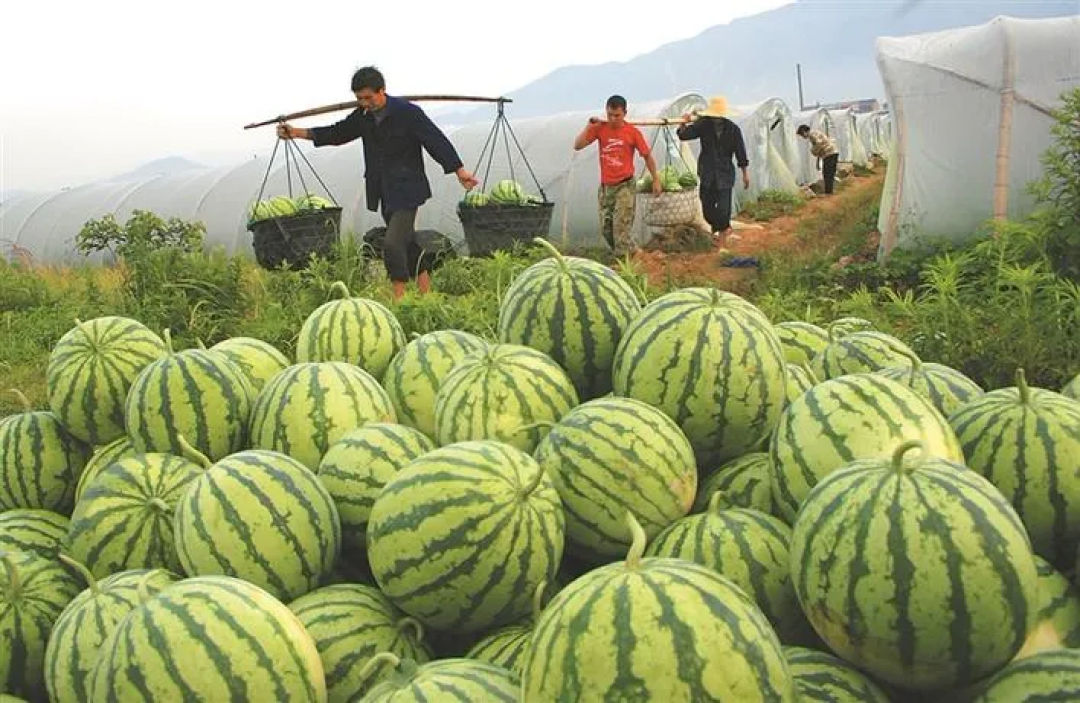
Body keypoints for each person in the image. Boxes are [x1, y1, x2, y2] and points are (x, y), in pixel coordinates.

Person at [276, 66, 479, 300]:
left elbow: (435, 140)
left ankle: (400, 303)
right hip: (383, 189)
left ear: (382, 91)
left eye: (368, 97)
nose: (364, 103)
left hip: (408, 188)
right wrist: (296, 133)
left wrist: (459, 170)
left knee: (392, 245)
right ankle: (426, 295)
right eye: (359, 99)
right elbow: (337, 133)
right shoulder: (363, 117)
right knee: (408, 244)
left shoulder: (407, 113)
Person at [573, 95, 661, 258]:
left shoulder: (632, 132)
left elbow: (647, 156)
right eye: (610, 115)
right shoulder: (600, 129)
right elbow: (577, 145)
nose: (613, 119)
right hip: (606, 187)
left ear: (625, 113)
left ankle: (623, 264)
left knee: (621, 227)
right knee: (607, 229)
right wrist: (588, 126)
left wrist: (655, 179)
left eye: (617, 115)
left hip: (625, 186)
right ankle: (634, 253)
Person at [676, 95, 749, 238]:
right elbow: (685, 135)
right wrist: (682, 125)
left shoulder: (733, 130)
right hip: (707, 172)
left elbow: (741, 153)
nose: (716, 119)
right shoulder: (704, 124)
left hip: (725, 174)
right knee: (707, 210)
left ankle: (723, 234)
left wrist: (745, 174)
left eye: (719, 116)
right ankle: (722, 229)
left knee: (723, 209)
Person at [797, 124, 840, 195]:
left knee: (827, 173)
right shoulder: (815, 133)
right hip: (833, 152)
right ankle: (829, 192)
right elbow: (821, 147)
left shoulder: (812, 134)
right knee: (829, 173)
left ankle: (828, 193)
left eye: (802, 135)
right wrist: (818, 161)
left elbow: (819, 144)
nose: (802, 137)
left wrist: (813, 151)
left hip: (829, 153)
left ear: (804, 131)